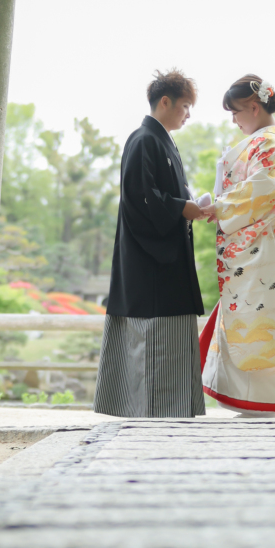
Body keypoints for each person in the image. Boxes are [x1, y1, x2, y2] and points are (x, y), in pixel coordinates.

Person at [199, 74, 275, 415]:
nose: (234, 121)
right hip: (265, 246)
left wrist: (219, 207)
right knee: (259, 318)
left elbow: (265, 191)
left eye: (235, 113)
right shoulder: (267, 144)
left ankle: (264, 403)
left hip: (265, 248)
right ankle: (260, 402)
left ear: (253, 107)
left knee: (264, 317)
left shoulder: (269, 145)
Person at [94, 69, 208, 418]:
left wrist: (188, 205)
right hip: (151, 266)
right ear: (165, 102)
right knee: (153, 344)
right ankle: (156, 417)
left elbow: (160, 196)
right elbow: (141, 199)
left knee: (165, 343)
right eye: (185, 106)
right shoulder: (144, 139)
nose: (188, 114)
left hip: (166, 261)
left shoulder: (161, 141)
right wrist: (184, 208)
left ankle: (168, 414)